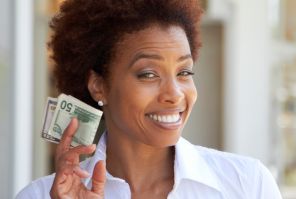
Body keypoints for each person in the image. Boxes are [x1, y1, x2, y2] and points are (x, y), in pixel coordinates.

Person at [16, 0, 282, 198]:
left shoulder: (248, 185)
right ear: (99, 86)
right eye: (148, 74)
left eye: (184, 72)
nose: (175, 94)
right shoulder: (38, 196)